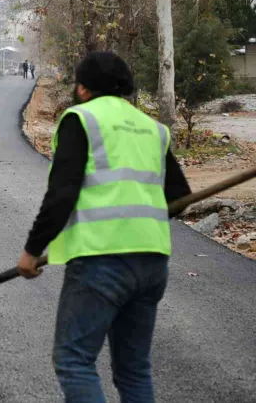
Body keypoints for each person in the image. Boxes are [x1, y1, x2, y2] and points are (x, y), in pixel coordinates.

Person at [16, 51, 191, 403]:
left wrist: (32, 250)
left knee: (74, 361)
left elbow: (61, 195)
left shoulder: (82, 119)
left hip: (101, 260)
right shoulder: (153, 128)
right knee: (134, 370)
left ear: (82, 89)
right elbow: (181, 197)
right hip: (153, 262)